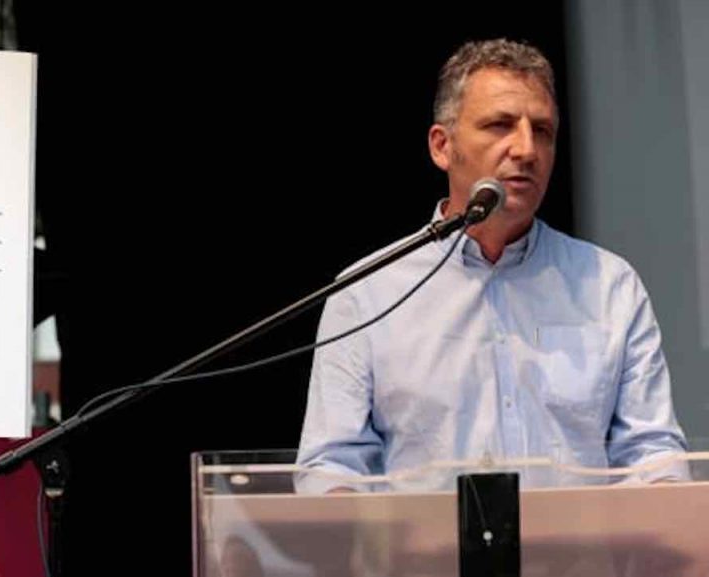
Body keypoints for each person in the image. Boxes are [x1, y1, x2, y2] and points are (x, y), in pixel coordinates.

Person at [296, 38, 690, 492]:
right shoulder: (366, 292)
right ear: (442, 146)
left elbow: (652, 454)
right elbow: (332, 466)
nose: (526, 150)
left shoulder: (609, 286)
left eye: (542, 130)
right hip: (425, 542)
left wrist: (662, 492)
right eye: (500, 125)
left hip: (577, 541)